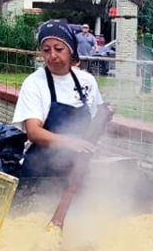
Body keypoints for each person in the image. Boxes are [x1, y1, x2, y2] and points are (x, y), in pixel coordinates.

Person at [13, 20, 109, 177]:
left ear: (70, 49)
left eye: (59, 49)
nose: (52, 55)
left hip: (77, 171)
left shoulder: (87, 81)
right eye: (46, 50)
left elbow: (94, 120)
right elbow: (33, 132)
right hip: (40, 172)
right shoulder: (34, 83)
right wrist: (71, 142)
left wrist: (105, 116)